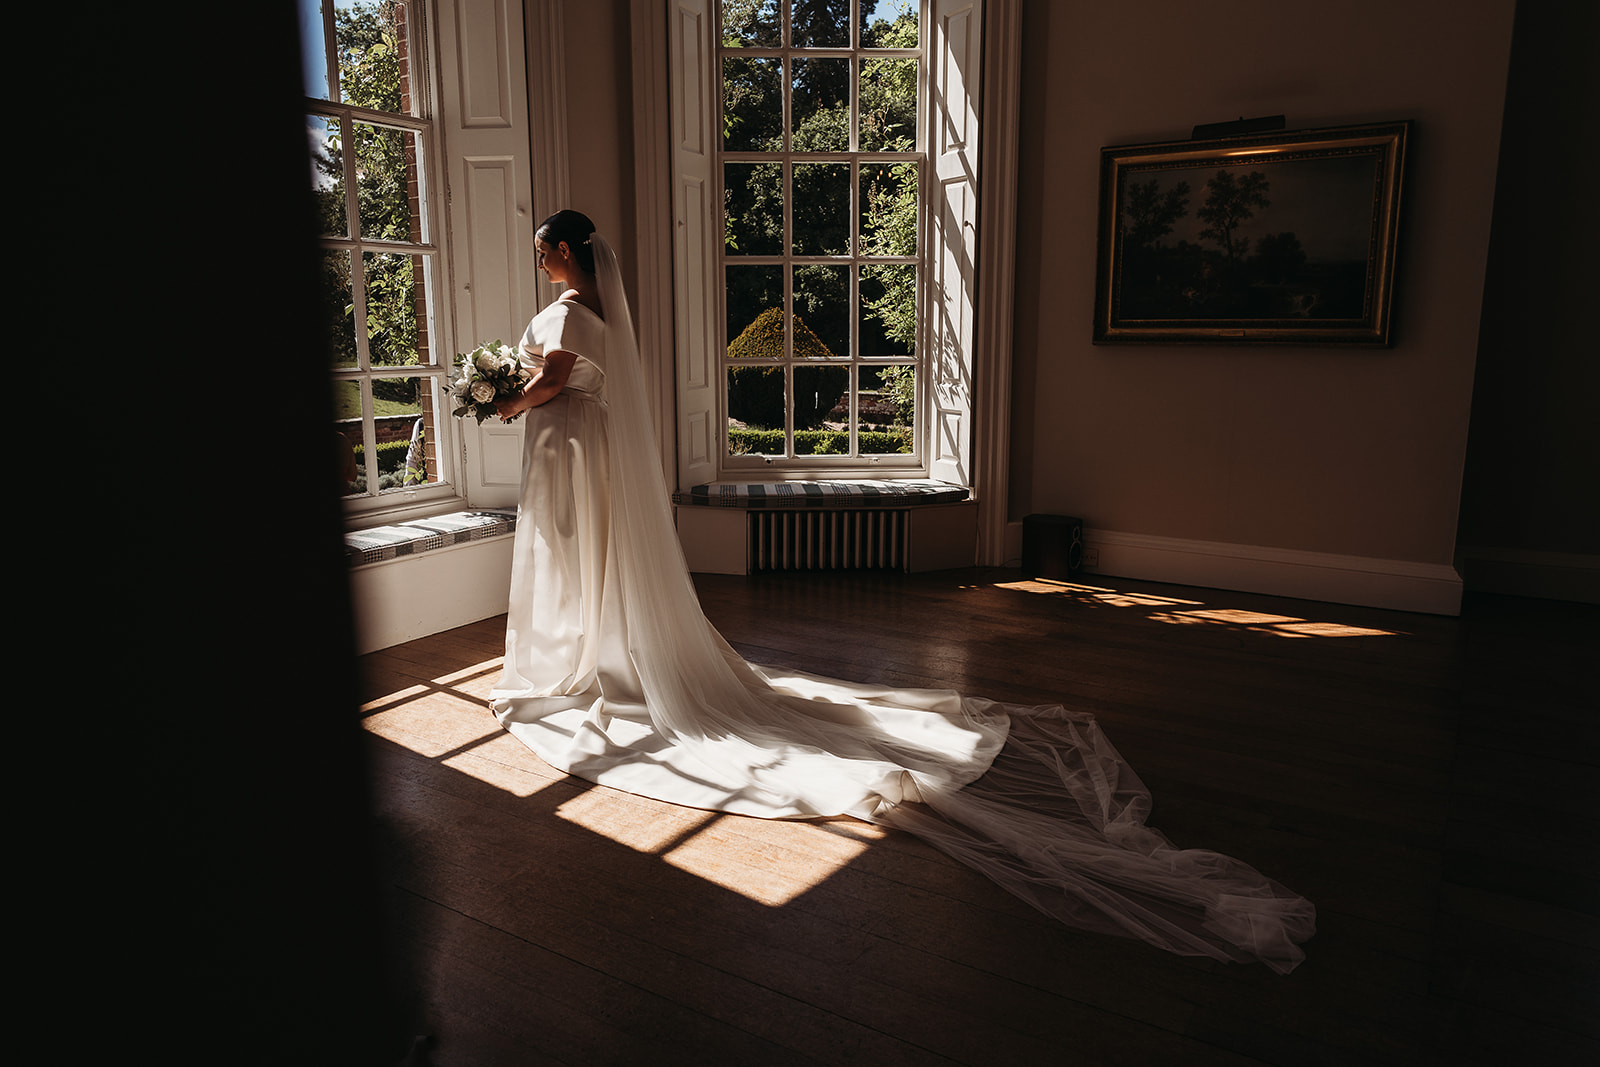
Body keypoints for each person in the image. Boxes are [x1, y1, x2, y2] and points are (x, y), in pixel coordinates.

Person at [489, 210, 1315, 972]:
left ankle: (586, 658)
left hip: (567, 447)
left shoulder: (566, 315)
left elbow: (555, 381)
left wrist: (501, 401)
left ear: (564, 252)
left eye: (541, 249)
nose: (539, 260)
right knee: (594, 558)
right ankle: (601, 651)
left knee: (574, 557)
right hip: (586, 454)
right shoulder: (603, 315)